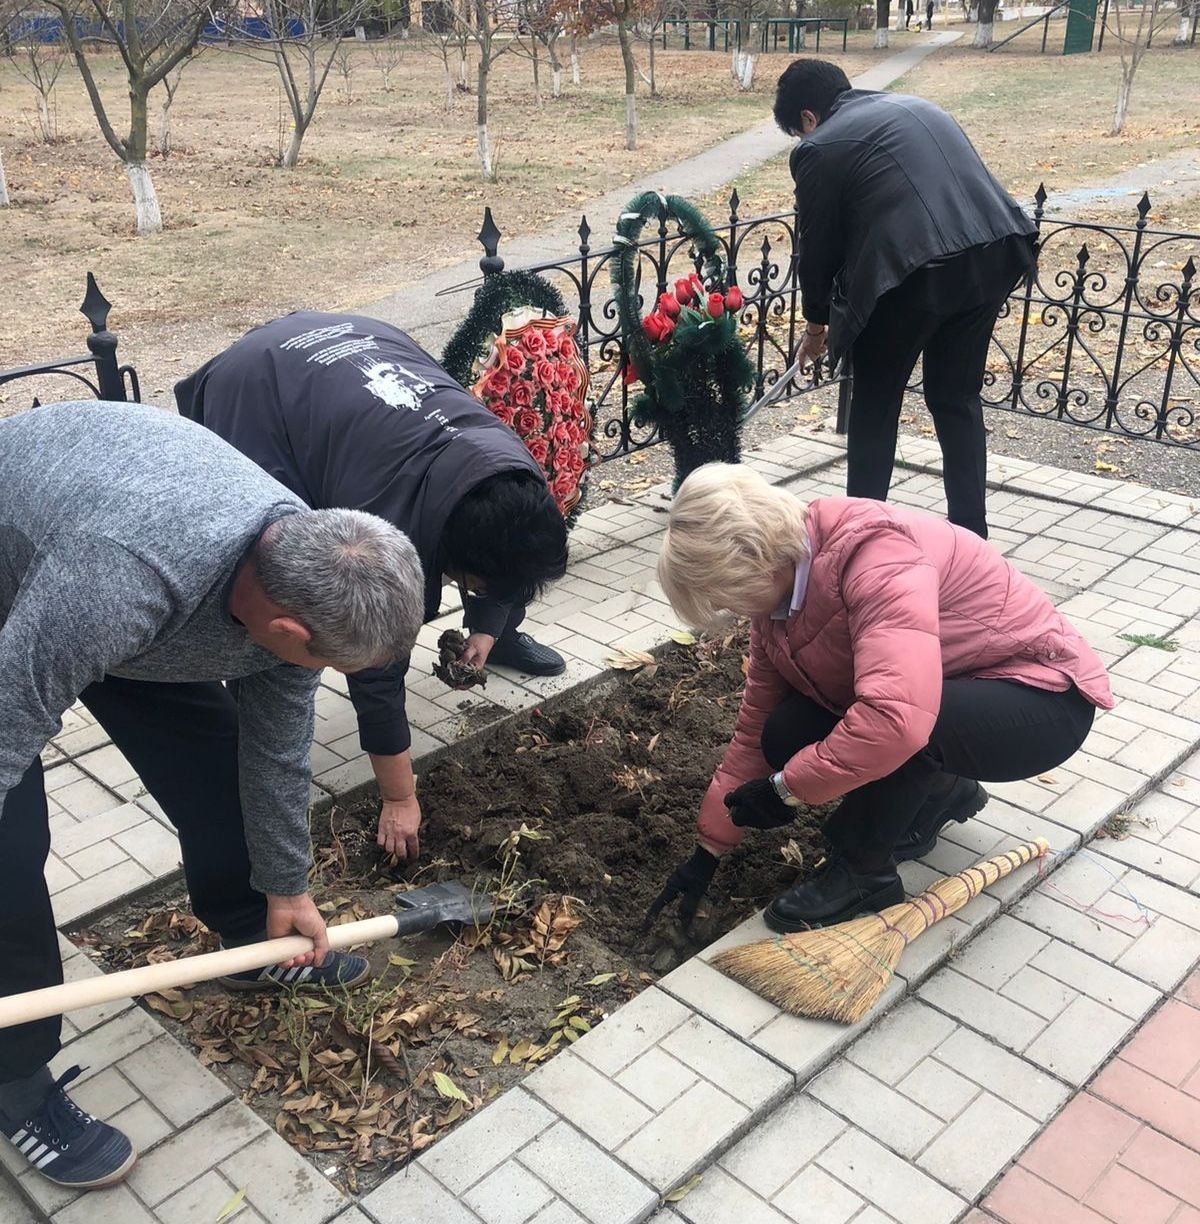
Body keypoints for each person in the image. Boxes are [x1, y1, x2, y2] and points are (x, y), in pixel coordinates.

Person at [0, 402, 425, 1191]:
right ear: (291, 632)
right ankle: (13, 1079)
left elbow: (276, 754)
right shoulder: (117, 583)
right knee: (8, 852)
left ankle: (250, 939)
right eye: (326, 663)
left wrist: (287, 885)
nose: (322, 674)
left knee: (230, 766)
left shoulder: (298, 559)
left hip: (120, 586)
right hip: (22, 577)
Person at [647, 465, 1112, 933]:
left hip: (1042, 700)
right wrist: (707, 852)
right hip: (954, 693)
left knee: (906, 723)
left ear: (757, 557)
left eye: (729, 596)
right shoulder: (779, 602)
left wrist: (785, 789)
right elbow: (754, 732)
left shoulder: (876, 557)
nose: (734, 609)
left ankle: (863, 872)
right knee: (785, 730)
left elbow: (897, 720)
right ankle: (944, 790)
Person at [176, 313, 570, 864]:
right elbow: (375, 667)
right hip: (258, 390)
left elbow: (511, 563)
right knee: (275, 564)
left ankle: (500, 640)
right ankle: (251, 697)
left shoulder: (513, 473)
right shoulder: (386, 524)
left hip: (350, 349)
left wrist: (486, 630)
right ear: (451, 562)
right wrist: (399, 795)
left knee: (498, 562)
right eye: (477, 586)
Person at [775, 59, 1037, 540]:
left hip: (917, 273)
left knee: (874, 403)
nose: (801, 139)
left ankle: (859, 541)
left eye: (797, 131)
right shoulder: (914, 105)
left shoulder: (817, 148)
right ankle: (972, 540)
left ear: (808, 119)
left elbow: (817, 251)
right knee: (955, 396)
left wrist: (815, 327)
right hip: (995, 252)